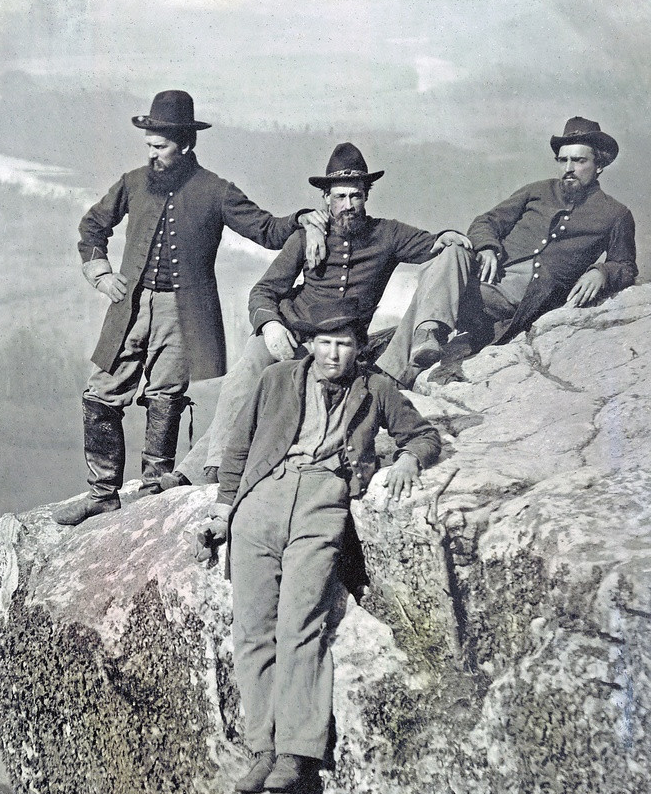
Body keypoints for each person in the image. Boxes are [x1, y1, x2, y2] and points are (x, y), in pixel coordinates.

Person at [192, 299, 441, 794]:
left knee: (301, 624)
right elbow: (238, 447)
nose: (333, 353)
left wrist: (410, 459)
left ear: (358, 348)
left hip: (323, 500)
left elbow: (424, 435)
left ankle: (295, 751)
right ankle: (262, 747)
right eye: (325, 342)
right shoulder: (277, 380)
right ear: (309, 344)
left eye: (344, 344)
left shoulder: (376, 389)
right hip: (261, 499)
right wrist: (225, 509)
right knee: (252, 628)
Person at [52, 90, 325, 526]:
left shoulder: (216, 191)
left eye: (160, 147)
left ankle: (153, 494)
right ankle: (102, 494)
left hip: (184, 314)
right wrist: (100, 272)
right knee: (100, 392)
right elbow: (92, 225)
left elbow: (267, 230)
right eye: (149, 146)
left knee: (165, 396)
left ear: (186, 144)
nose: (152, 155)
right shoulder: (132, 183)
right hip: (130, 305)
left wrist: (304, 219)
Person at [165, 141, 469, 486]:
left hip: (339, 343)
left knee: (273, 403)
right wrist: (270, 324)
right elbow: (264, 290)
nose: (348, 205)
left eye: (355, 196)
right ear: (326, 198)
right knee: (244, 377)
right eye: (340, 197)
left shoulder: (387, 234)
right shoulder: (307, 235)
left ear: (366, 195)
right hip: (291, 332)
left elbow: (435, 245)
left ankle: (188, 476)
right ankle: (209, 471)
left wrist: (449, 238)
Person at [375, 117, 638, 385]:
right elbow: (485, 221)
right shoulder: (537, 191)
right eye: (563, 160)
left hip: (517, 303)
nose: (568, 168)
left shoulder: (615, 214)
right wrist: (487, 247)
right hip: (478, 284)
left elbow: (625, 264)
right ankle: (427, 333)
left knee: (433, 283)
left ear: (600, 166)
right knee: (453, 249)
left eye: (579, 161)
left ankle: (393, 373)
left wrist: (601, 272)